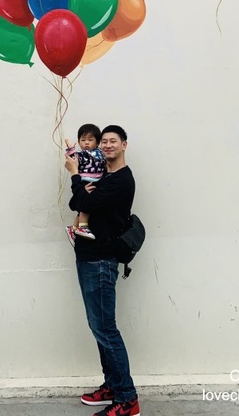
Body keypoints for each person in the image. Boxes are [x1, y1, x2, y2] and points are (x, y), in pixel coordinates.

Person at [65, 124, 139, 416]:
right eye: (104, 141)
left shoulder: (120, 180)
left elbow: (83, 200)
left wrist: (74, 174)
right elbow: (76, 202)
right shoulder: (103, 175)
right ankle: (112, 385)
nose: (107, 145)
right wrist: (80, 187)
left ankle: (127, 399)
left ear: (124, 145)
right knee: (99, 327)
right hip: (89, 256)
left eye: (113, 141)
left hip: (100, 260)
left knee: (105, 329)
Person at [65, 123, 106, 241]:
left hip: (97, 181)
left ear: (97, 142)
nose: (86, 143)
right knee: (86, 205)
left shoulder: (101, 154)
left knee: (86, 206)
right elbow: (72, 158)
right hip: (85, 181)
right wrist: (70, 149)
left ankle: (73, 228)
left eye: (90, 140)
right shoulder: (82, 155)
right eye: (83, 140)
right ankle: (83, 226)